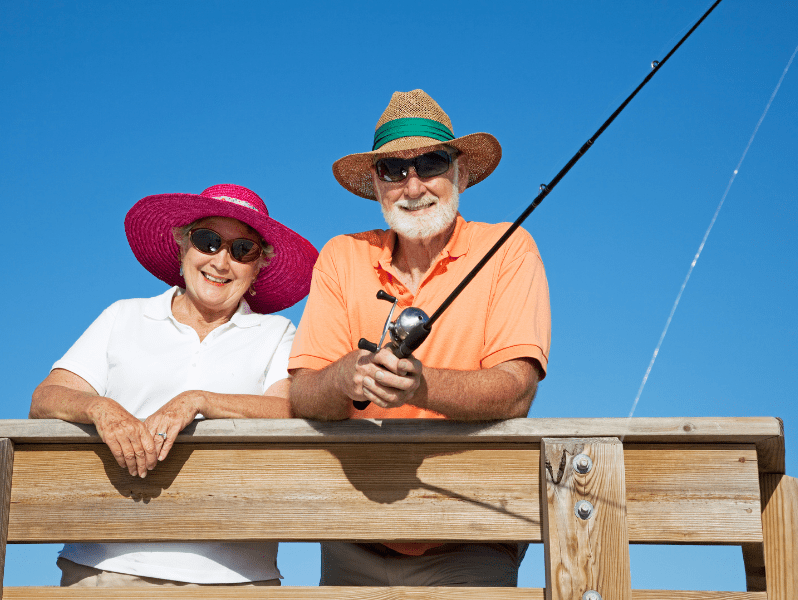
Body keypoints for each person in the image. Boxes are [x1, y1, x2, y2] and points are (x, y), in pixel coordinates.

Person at [288, 89, 551, 587]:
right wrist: (344, 378)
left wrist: (421, 386)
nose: (413, 186)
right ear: (376, 183)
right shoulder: (341, 257)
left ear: (461, 174)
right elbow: (301, 392)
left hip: (472, 536)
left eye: (431, 163)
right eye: (393, 169)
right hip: (352, 533)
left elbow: (517, 388)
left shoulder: (510, 248)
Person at [30, 183, 318, 587]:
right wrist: (103, 409)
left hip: (235, 578)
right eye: (208, 241)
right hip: (106, 566)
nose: (222, 261)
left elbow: (290, 408)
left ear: (257, 269)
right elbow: (45, 398)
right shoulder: (123, 316)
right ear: (183, 247)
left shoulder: (276, 333)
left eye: (242, 250)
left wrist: (196, 400)